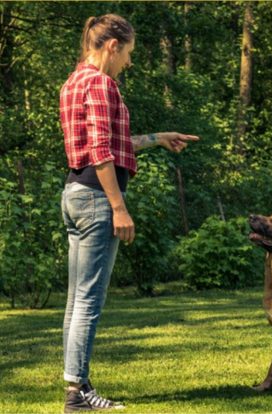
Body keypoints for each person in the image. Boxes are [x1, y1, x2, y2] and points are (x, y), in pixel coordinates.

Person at [59, 14, 199, 413]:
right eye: (130, 54)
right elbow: (102, 152)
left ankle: (75, 385)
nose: (130, 63)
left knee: (75, 301)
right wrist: (119, 207)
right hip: (97, 199)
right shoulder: (102, 84)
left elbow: (111, 144)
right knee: (89, 300)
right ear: (113, 45)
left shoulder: (73, 82)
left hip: (74, 192)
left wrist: (159, 139)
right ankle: (78, 394)